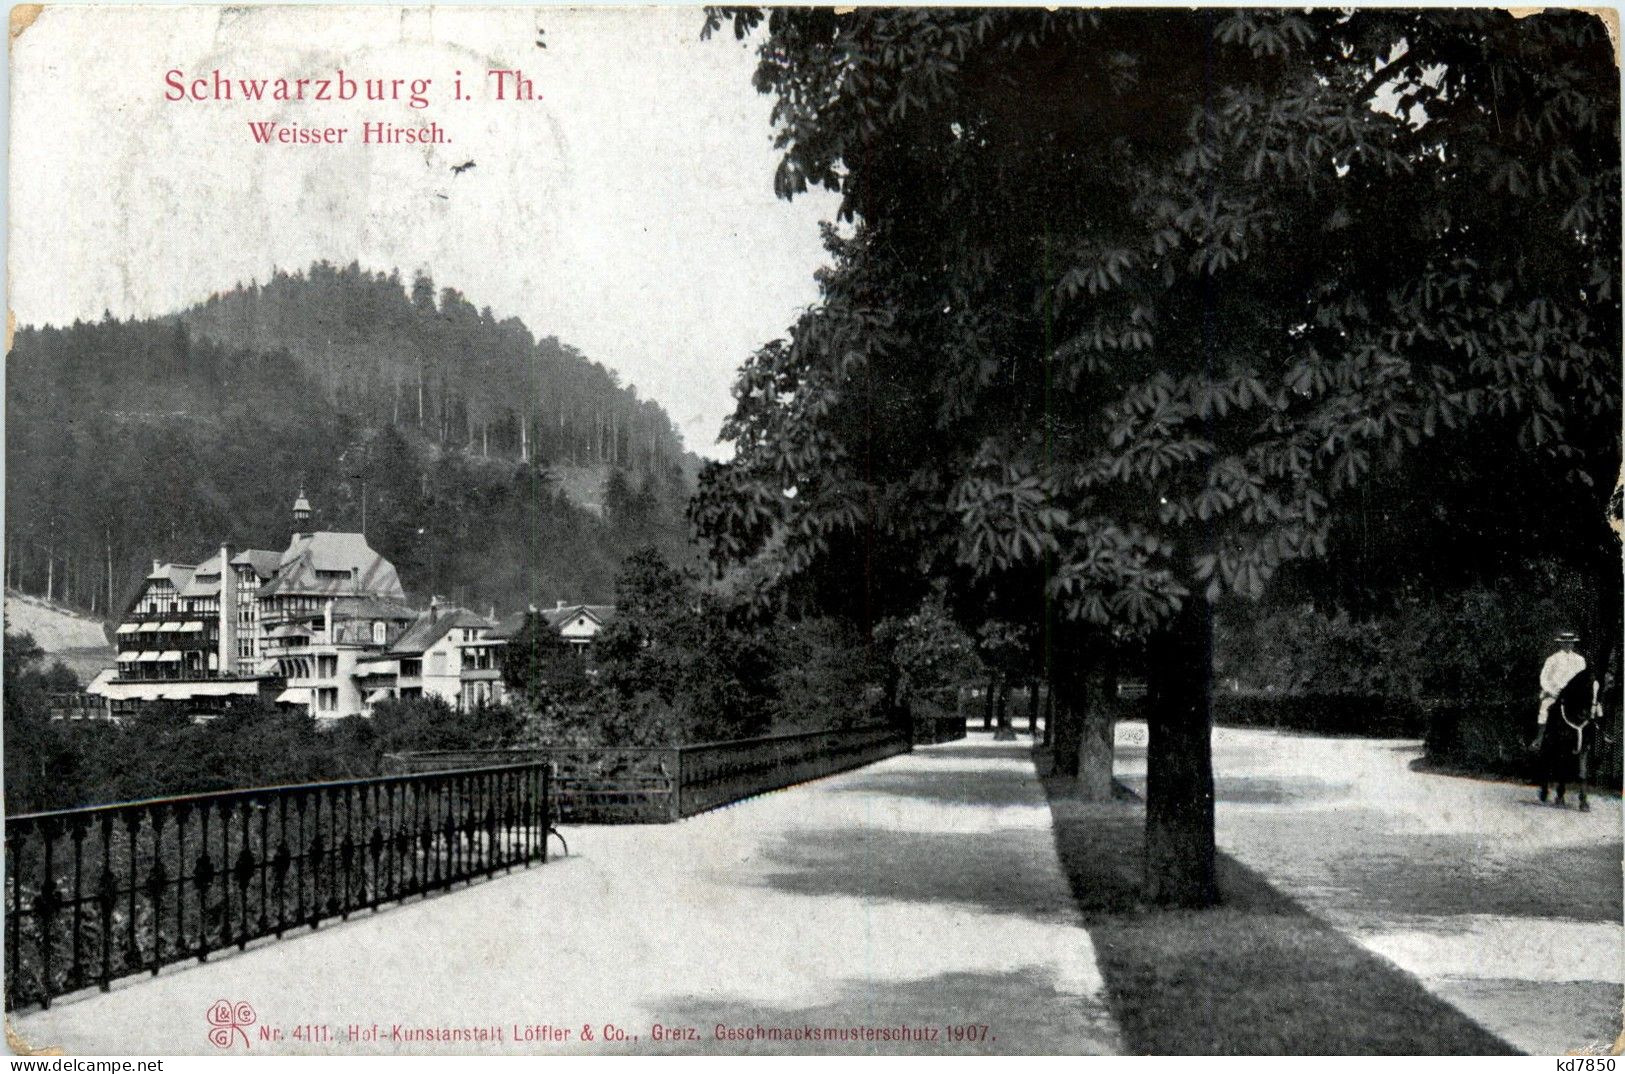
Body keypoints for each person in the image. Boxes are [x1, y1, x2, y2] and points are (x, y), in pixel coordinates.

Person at [1533, 630, 1599, 809]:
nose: (1568, 645)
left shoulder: (1580, 660)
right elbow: (1544, 678)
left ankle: (1595, 734)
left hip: (1575, 698)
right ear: (1560, 643)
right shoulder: (1552, 659)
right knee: (1546, 707)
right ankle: (1540, 739)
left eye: (1571, 642)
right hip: (1556, 693)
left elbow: (1586, 681)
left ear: (1574, 643)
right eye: (1565, 642)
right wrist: (1554, 690)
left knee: (1592, 709)